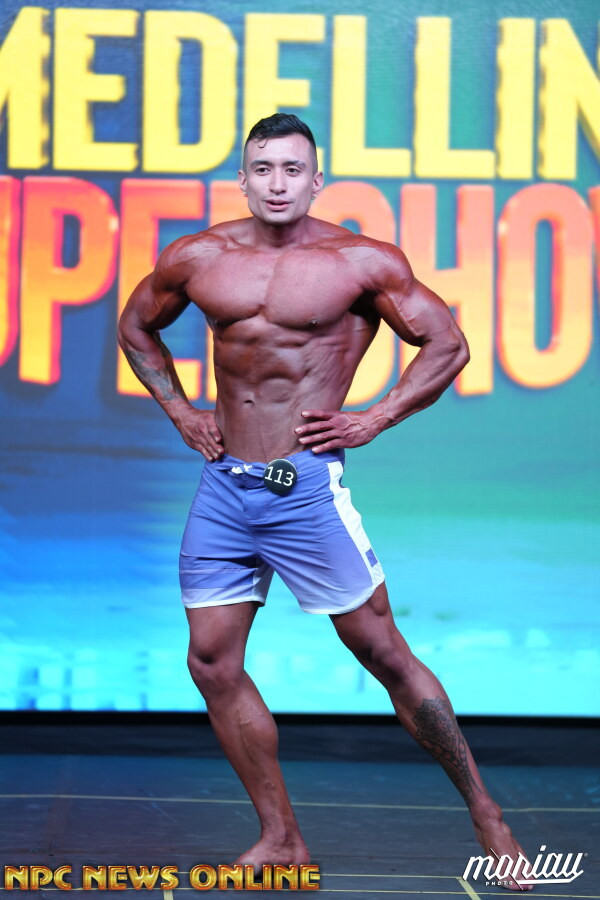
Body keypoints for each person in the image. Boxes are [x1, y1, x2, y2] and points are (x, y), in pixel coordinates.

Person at [118, 113, 531, 891]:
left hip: (304, 490)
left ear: (317, 179)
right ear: (243, 179)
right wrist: (179, 410)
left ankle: (488, 815)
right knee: (211, 662)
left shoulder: (360, 262)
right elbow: (136, 327)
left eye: (292, 169)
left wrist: (375, 416)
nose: (277, 184)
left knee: (383, 654)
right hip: (225, 487)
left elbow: (447, 344)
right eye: (263, 169)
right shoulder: (199, 257)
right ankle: (281, 839)